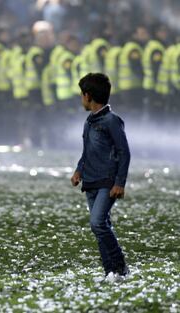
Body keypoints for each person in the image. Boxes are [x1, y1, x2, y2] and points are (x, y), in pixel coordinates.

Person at [71, 73, 130, 283]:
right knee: (101, 225)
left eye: (81, 94)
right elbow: (87, 151)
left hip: (107, 182)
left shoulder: (112, 121)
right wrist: (79, 170)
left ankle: (120, 266)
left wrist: (119, 183)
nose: (80, 99)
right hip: (91, 182)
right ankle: (110, 272)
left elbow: (124, 152)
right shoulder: (89, 121)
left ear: (88, 96)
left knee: (97, 223)